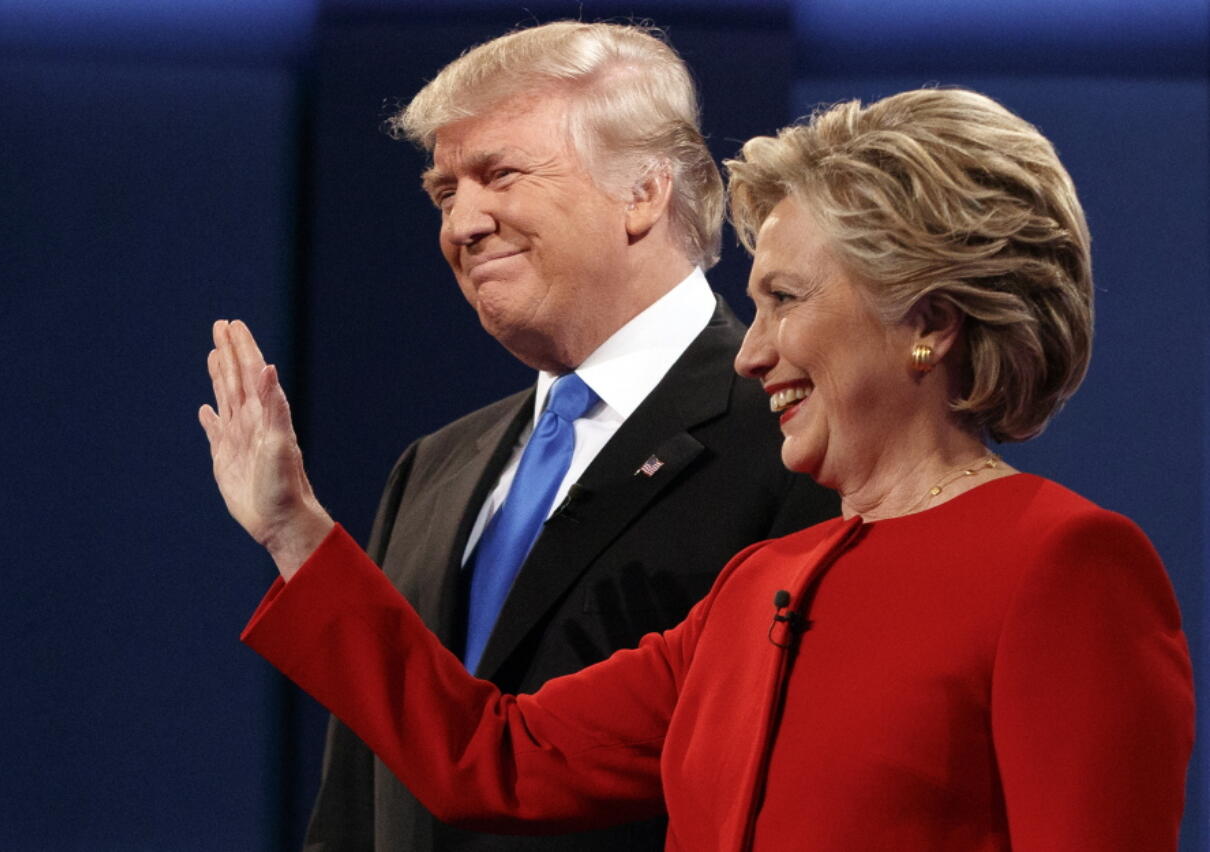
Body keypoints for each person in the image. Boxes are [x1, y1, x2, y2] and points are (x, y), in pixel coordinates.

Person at [203, 88, 1195, 850]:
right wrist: (294, 529)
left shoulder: (1062, 567)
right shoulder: (757, 586)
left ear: (925, 322)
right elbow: (496, 758)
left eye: (785, 299)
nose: (751, 352)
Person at [203, 20, 837, 852]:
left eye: (499, 174)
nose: (461, 223)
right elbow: (361, 805)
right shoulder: (432, 469)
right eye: (444, 192)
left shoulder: (796, 439)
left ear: (643, 193)